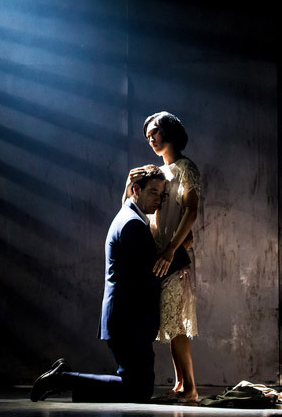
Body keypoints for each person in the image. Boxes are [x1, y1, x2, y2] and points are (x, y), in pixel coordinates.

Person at [30, 166, 166, 403]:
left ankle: (67, 380)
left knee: (138, 389)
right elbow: (151, 272)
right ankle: (63, 378)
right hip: (128, 322)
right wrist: (180, 252)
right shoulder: (132, 224)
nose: (159, 199)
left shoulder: (128, 215)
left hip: (125, 320)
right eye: (153, 192)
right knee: (137, 390)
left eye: (161, 194)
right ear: (136, 190)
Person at [123, 111, 201, 403]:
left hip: (173, 256)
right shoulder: (159, 171)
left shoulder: (186, 168)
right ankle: (181, 384)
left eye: (154, 132)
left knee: (177, 325)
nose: (150, 139)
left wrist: (171, 249)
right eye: (147, 136)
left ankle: (191, 388)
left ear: (168, 131)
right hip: (158, 255)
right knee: (169, 323)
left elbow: (191, 211)